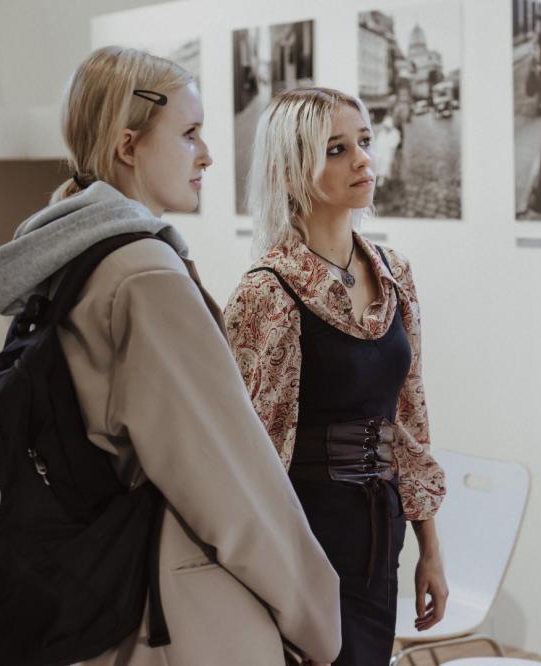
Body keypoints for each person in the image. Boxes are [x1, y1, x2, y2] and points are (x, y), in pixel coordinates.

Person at [0, 46, 340, 665]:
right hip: (175, 611)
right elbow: (226, 479)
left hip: (99, 595)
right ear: (129, 146)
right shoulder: (144, 275)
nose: (208, 154)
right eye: (190, 133)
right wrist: (318, 618)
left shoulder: (67, 262)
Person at [224, 87, 449, 665]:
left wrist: (430, 545)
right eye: (336, 149)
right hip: (305, 533)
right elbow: (252, 448)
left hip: (380, 527)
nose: (363, 160)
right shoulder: (267, 291)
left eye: (365, 142)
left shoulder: (394, 273)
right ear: (290, 168)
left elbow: (410, 416)